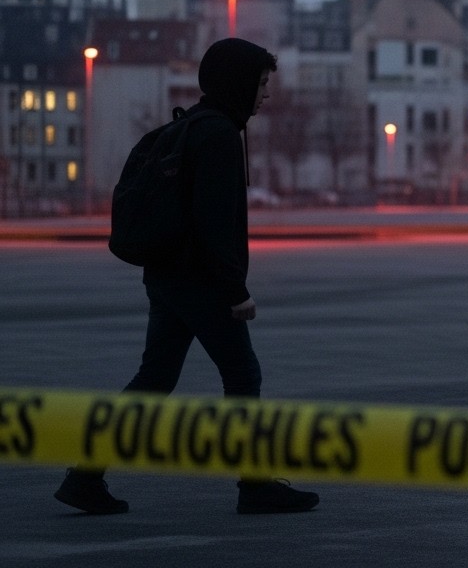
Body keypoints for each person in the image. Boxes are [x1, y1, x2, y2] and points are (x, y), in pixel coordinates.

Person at [54, 38, 319, 516]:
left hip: (168, 276)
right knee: (242, 374)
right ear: (238, 83)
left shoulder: (189, 127)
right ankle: (255, 485)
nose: (265, 94)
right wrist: (235, 291)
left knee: (154, 377)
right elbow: (214, 220)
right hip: (200, 281)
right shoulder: (217, 135)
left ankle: (85, 475)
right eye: (260, 83)